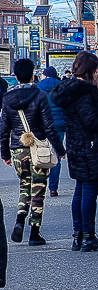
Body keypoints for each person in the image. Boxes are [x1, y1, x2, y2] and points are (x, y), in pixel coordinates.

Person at [51, 51, 98, 252]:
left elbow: (82, 116)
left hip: (75, 143)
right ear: (91, 70)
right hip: (90, 145)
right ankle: (88, 237)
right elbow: (92, 122)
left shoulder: (68, 90)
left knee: (80, 189)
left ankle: (78, 235)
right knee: (89, 190)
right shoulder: (86, 91)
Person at [0, 59, 67, 246]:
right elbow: (49, 126)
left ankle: (19, 221)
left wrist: (5, 153)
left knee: (24, 185)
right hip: (38, 148)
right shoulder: (39, 96)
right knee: (38, 189)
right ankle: (35, 233)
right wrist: (60, 149)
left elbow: (4, 129)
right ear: (33, 75)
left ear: (15, 76)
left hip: (18, 149)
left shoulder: (7, 98)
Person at [37, 66, 65, 196]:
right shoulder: (62, 86)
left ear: (45, 75)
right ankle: (53, 188)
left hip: (43, 125)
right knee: (56, 154)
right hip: (59, 125)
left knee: (42, 154)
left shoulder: (38, 87)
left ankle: (40, 185)